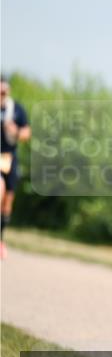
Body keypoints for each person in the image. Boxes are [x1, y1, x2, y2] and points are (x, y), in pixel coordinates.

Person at [0, 75, 31, 259]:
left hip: (9, 159)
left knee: (7, 202)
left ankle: (1, 240)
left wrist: (16, 131)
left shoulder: (16, 110)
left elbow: (27, 132)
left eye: (5, 90)